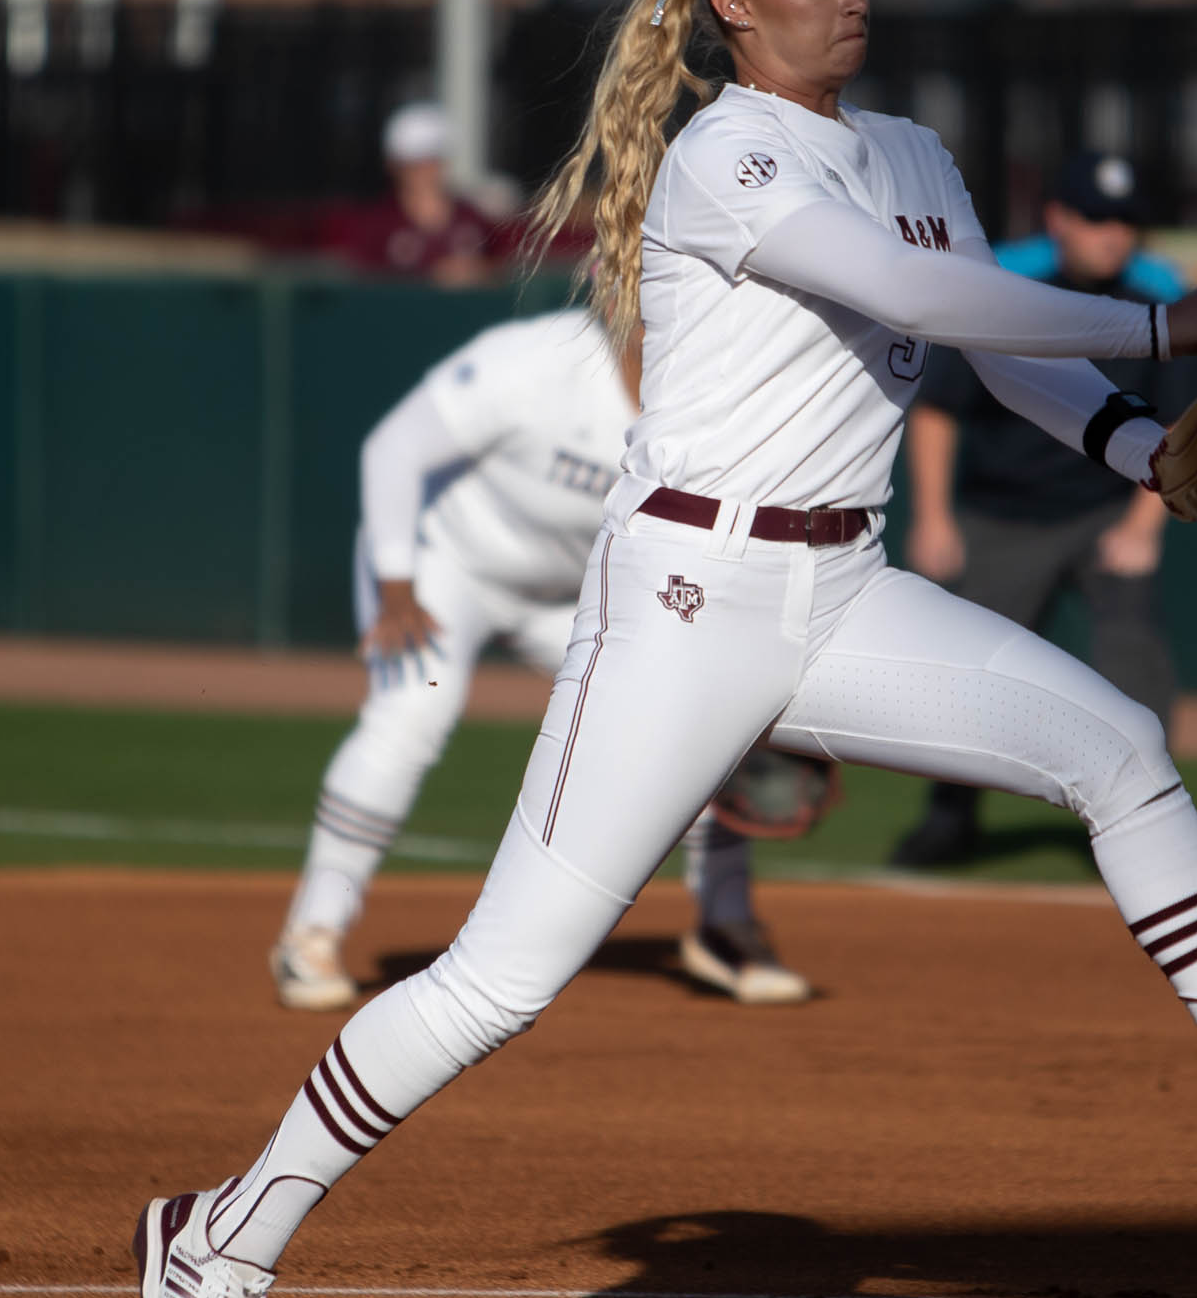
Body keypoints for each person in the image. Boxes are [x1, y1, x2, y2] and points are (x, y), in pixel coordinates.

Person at [131, 0, 1197, 1298]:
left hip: (845, 591)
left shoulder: (912, 154)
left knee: (1121, 746)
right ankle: (219, 1240)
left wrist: (1141, 458)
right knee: (500, 983)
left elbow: (986, 344)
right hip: (686, 602)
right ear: (733, 5)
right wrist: (1166, 335)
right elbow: (915, 291)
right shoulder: (729, 153)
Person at [268, 308, 812, 1014]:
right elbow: (393, 451)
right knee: (413, 711)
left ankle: (726, 923)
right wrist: (396, 583)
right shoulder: (534, 362)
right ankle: (311, 930)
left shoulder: (717, 400)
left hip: (570, 596)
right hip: (442, 569)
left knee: (697, 721)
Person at [889, 151, 1197, 868]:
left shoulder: (1155, 302)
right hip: (1002, 514)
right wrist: (933, 517)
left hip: (1104, 511)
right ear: (1059, 219)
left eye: (1125, 220)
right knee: (972, 677)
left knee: (1135, 663)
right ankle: (951, 816)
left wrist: (1142, 525)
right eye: (1096, 218)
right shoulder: (1009, 290)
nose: (1112, 234)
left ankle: (1141, 822)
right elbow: (939, 409)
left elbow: (1184, 424)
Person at [323, 101, 503, 285]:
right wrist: (430, 277)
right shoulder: (376, 225)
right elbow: (364, 284)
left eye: (432, 159)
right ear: (393, 166)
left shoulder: (471, 216)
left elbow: (503, 267)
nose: (424, 170)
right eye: (414, 163)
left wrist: (479, 271)